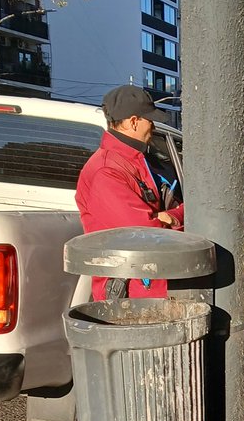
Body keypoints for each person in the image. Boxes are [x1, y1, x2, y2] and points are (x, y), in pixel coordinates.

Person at [76, 85, 182, 300]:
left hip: (146, 284)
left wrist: (167, 217)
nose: (152, 126)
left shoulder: (132, 159)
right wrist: (179, 215)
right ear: (133, 121)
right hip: (131, 293)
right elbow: (145, 233)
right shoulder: (107, 170)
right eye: (149, 119)